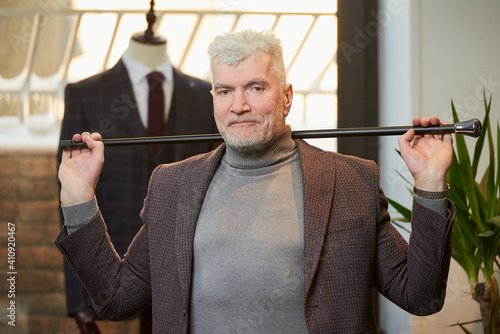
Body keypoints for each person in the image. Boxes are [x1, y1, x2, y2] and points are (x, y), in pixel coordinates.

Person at [55, 30, 455, 333]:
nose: (238, 105)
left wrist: (431, 182)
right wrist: (78, 195)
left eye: (256, 87)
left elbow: (419, 296)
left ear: (286, 96)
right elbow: (116, 299)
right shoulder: (172, 186)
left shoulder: (351, 180)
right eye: (224, 90)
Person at [58, 35, 218, 333]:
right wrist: (79, 301)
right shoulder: (85, 93)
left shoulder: (204, 95)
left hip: (189, 266)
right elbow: (70, 190)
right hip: (112, 262)